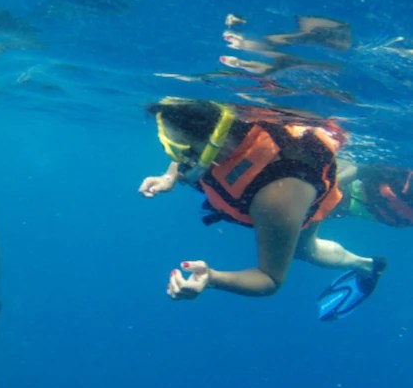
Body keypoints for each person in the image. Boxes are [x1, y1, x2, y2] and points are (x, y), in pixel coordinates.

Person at [139, 97, 386, 319]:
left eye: (180, 153)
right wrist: (168, 177)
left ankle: (367, 266)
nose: (178, 161)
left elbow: (270, 279)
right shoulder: (217, 128)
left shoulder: (276, 200)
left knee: (304, 251)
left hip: (295, 188)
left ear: (212, 148)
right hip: (277, 169)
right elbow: (187, 140)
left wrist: (212, 278)